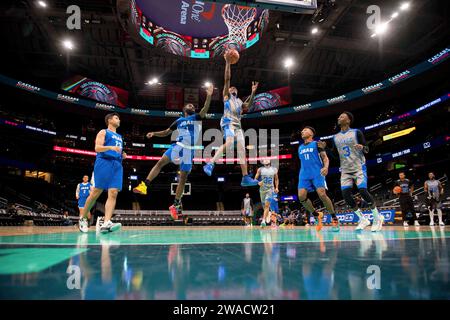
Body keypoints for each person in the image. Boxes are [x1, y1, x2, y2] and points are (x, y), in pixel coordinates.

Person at [133, 85, 213, 219]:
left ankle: (176, 204)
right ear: (184, 109)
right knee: (160, 163)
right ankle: (144, 185)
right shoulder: (179, 120)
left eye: (193, 106)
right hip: (178, 146)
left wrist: (209, 95)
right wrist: (154, 133)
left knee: (183, 178)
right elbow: (165, 132)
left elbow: (205, 108)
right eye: (189, 105)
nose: (192, 106)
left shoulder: (197, 117)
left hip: (189, 150)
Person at [203, 50, 259, 187]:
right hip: (228, 123)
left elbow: (249, 105)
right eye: (231, 88)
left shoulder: (240, 101)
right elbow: (227, 79)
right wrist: (228, 62)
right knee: (228, 143)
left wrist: (252, 93)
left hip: (238, 126)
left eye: (235, 88)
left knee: (241, 150)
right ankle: (210, 163)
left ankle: (245, 177)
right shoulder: (226, 97)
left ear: (237, 91)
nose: (232, 88)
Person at [320, 111, 383, 232]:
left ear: (348, 120)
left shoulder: (356, 132)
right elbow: (335, 156)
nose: (339, 117)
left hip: (359, 166)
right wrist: (325, 149)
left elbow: (367, 148)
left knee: (362, 190)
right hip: (345, 169)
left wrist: (362, 147)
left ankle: (377, 217)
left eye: (342, 116)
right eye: (338, 116)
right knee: (345, 195)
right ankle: (363, 219)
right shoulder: (335, 137)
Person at [79, 112, 126, 233]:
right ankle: (83, 218)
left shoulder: (120, 136)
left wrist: (122, 155)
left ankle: (106, 222)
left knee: (114, 193)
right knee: (96, 192)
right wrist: (110, 148)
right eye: (116, 118)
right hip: (104, 162)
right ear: (109, 120)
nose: (119, 120)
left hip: (117, 164)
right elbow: (97, 148)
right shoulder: (103, 132)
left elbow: (117, 150)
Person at [297, 126, 339, 232]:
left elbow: (325, 158)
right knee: (301, 197)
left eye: (305, 130)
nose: (302, 131)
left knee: (322, 194)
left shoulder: (317, 144)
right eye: (302, 130)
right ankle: (316, 214)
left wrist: (325, 167)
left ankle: (334, 218)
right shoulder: (300, 147)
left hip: (317, 172)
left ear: (312, 133)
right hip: (304, 174)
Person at [254, 159, 279, 228]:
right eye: (265, 164)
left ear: (270, 163)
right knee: (264, 206)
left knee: (267, 205)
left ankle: (263, 221)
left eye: (267, 164)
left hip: (270, 190)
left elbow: (276, 179)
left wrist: (276, 187)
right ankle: (266, 215)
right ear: (264, 164)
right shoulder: (260, 170)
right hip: (262, 190)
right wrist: (258, 182)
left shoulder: (274, 170)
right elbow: (255, 179)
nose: (266, 165)